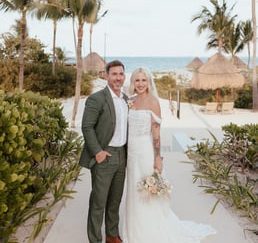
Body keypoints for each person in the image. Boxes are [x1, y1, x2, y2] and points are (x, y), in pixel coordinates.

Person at [122, 67, 216, 242]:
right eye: (137, 80)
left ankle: (148, 233)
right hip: (131, 154)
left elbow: (156, 133)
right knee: (133, 192)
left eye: (144, 80)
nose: (140, 84)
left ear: (149, 82)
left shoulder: (153, 102)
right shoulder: (130, 101)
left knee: (147, 193)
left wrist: (157, 157)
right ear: (132, 83)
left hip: (145, 152)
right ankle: (132, 230)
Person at [79, 60, 128, 243]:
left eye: (121, 74)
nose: (118, 77)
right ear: (106, 76)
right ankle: (95, 239)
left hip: (121, 156)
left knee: (115, 200)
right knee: (98, 202)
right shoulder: (97, 98)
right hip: (104, 156)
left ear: (124, 76)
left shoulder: (125, 99)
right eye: (114, 74)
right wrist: (98, 152)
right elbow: (87, 127)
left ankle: (112, 235)